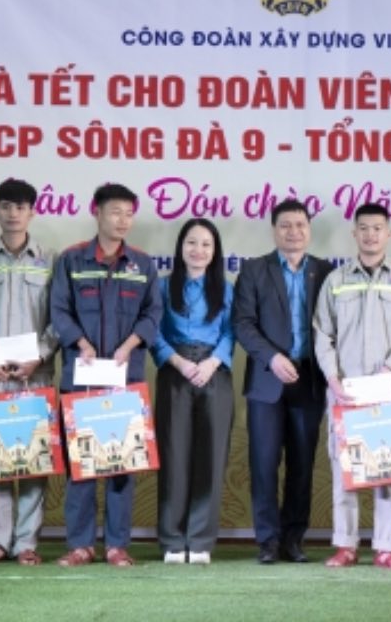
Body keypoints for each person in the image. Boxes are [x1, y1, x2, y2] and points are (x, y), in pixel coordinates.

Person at [49, 183, 162, 568]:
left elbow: (153, 314)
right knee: (81, 468)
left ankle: (117, 545)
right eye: (116, 212)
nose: (123, 220)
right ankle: (80, 545)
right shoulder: (72, 261)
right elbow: (59, 310)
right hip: (80, 379)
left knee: (120, 468)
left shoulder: (143, 264)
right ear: (96, 212)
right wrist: (79, 341)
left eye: (129, 213)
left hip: (124, 379)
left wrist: (130, 345)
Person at [314, 203, 391, 570]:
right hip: (345, 389)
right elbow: (322, 332)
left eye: (378, 228)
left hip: (388, 388)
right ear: (355, 233)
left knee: (387, 471)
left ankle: (385, 547)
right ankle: (345, 545)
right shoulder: (336, 280)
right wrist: (332, 375)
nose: (371, 234)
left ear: (388, 233)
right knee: (344, 472)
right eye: (364, 228)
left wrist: (390, 367)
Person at [0, 179, 58, 566]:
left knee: (34, 460)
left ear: (32, 212)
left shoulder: (51, 260)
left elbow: (59, 319)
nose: (13, 213)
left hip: (35, 376)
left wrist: (42, 354)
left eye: (21, 207)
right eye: (6, 206)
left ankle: (27, 543)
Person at [233, 199, 333, 565]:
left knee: (303, 464)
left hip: (308, 378)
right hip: (266, 378)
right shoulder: (254, 270)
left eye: (300, 225)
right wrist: (272, 357)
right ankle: (268, 540)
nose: (294, 232)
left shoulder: (325, 271)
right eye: (285, 225)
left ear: (309, 229)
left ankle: (294, 539)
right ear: (274, 229)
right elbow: (243, 323)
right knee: (263, 462)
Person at [151, 218, 235, 565]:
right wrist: (179, 362)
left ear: (214, 252)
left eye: (206, 244)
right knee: (173, 457)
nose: (198, 250)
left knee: (210, 458)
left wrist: (211, 363)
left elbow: (234, 331)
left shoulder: (227, 288)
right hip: (175, 371)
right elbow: (152, 331)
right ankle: (172, 540)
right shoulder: (161, 286)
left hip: (214, 372)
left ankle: (200, 540)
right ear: (180, 248)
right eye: (191, 243)